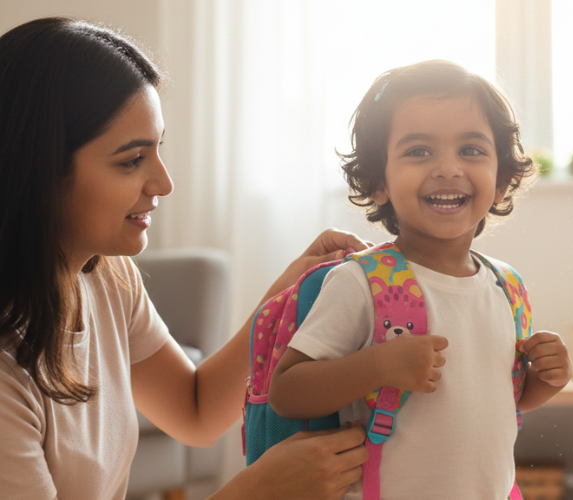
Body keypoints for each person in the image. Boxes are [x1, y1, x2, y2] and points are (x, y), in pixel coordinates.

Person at [0, 17, 369, 500]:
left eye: (158, 150)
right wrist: (256, 491)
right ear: (40, 167)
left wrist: (287, 293)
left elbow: (195, 410)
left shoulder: (107, 277)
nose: (163, 183)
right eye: (132, 160)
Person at [268, 60, 573, 499]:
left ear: (503, 180)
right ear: (377, 182)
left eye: (471, 150)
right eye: (419, 151)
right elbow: (288, 391)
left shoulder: (508, 288)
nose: (448, 168)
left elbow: (504, 400)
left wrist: (546, 379)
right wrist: (378, 366)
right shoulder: (362, 283)